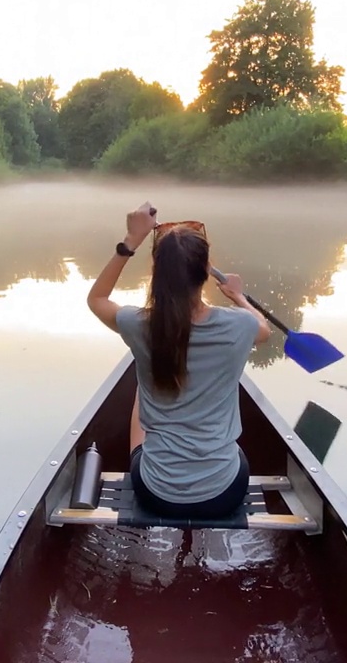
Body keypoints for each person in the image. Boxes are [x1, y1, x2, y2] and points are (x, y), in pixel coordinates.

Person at [86, 201, 270, 519]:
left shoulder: (136, 323)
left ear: (158, 273)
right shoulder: (239, 325)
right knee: (233, 452)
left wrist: (131, 239)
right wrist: (238, 296)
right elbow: (264, 330)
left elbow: (97, 298)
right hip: (224, 492)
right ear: (204, 273)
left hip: (156, 492)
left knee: (142, 385)